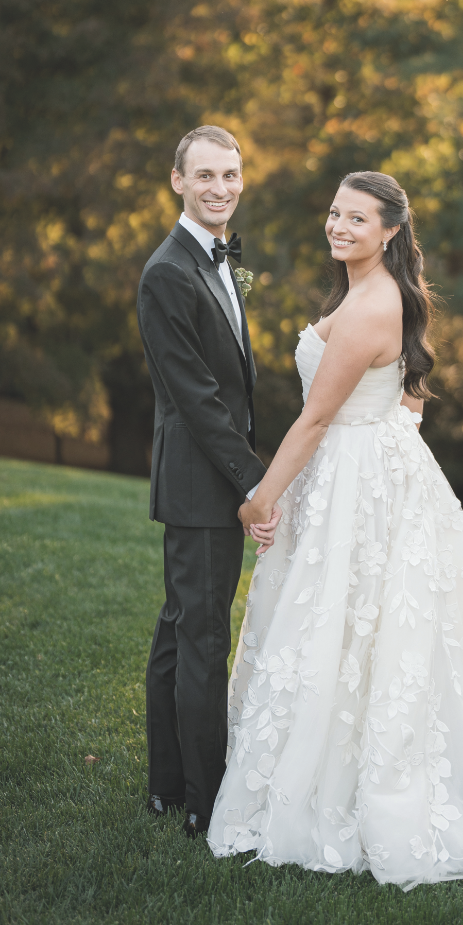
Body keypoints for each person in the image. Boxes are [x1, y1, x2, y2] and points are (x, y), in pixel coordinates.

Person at [207, 170, 463, 889]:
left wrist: (259, 499)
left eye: (357, 219)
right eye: (335, 213)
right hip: (363, 473)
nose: (339, 227)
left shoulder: (372, 304)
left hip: (350, 470)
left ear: (391, 230)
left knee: (355, 625)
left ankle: (350, 789)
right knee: (353, 628)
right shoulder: (379, 291)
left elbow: (316, 418)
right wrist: (386, 456)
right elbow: (407, 400)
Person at [137, 125, 279, 838]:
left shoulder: (218, 257)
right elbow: (196, 399)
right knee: (201, 640)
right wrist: (255, 483)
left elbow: (231, 380)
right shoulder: (167, 272)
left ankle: (168, 786)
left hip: (209, 477)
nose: (219, 188)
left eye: (230, 174)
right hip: (201, 484)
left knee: (180, 630)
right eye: (205, 176)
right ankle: (205, 799)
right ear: (178, 181)